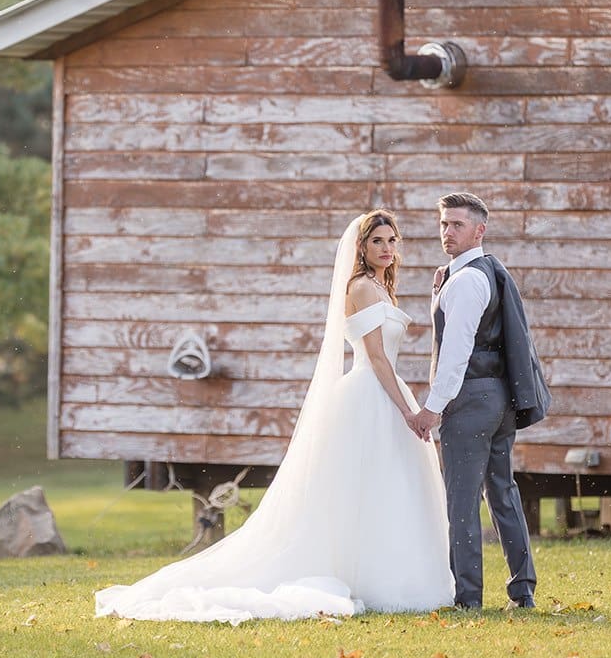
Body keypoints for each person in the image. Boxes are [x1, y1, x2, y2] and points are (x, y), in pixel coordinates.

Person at [93, 210, 454, 623]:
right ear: (362, 247)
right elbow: (375, 357)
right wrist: (409, 410)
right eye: (378, 242)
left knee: (391, 485)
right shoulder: (361, 288)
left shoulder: (382, 288)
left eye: (392, 241)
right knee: (364, 487)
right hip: (370, 394)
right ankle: (370, 578)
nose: (387, 249)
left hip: (386, 392)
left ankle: (398, 576)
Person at [406, 192, 547, 610]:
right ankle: (522, 592)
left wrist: (432, 407)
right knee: (502, 493)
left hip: (470, 399)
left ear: (479, 230)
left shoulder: (467, 280)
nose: (447, 232)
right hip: (499, 397)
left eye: (457, 225)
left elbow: (455, 353)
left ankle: (467, 598)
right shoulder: (480, 270)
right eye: (444, 224)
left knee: (462, 500)